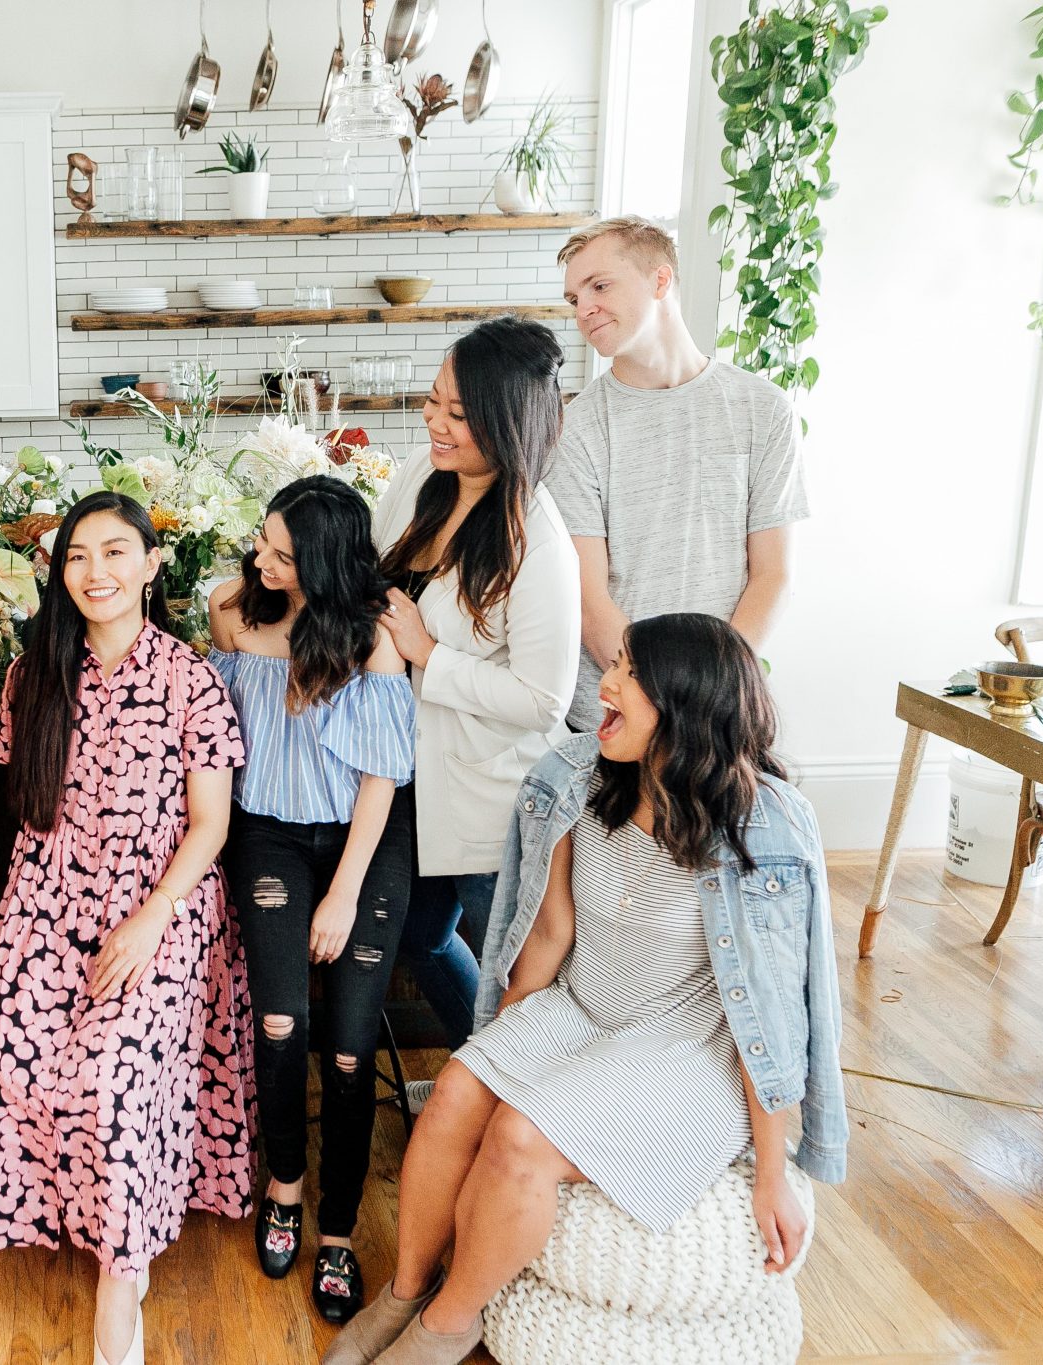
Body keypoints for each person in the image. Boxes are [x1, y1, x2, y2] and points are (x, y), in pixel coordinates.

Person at [324, 613, 848, 1365]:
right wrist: (497, 1053)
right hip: (581, 1003)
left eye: (628, 672)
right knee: (454, 1096)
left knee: (518, 1138)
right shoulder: (577, 775)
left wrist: (775, 1170)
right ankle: (405, 1292)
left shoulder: (765, 828)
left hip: (685, 1039)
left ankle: (446, 1326)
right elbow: (546, 935)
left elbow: (773, 1013)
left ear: (685, 700)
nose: (604, 681)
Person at [0, 491, 254, 1365]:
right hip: (47, 896)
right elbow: (26, 802)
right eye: (79, 555)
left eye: (117, 552)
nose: (97, 572)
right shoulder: (30, 675)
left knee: (116, 1074)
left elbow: (211, 825)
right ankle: (74, 1219)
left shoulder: (190, 676)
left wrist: (149, 920)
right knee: (14, 1051)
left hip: (162, 901)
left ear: (154, 565)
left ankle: (120, 1290)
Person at [206, 476, 415, 1324]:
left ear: (323, 564)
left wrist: (343, 893)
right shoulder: (231, 613)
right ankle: (284, 1184)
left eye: (283, 554)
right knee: (280, 1022)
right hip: (269, 835)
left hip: (364, 843)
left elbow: (381, 779)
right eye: (262, 541)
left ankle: (336, 1226)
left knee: (351, 1049)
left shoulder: (372, 638)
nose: (261, 558)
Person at [372, 317, 582, 1049]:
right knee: (419, 939)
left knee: (518, 974)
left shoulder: (537, 539)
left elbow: (543, 700)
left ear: (505, 422)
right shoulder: (420, 481)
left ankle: (525, 1103)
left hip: (490, 800)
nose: (433, 420)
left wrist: (429, 654)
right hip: (412, 778)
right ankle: (488, 1082)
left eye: (457, 413)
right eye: (434, 401)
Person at [547, 215, 808, 734]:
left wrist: (710, 696)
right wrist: (655, 702)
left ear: (660, 280)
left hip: (719, 710)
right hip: (611, 714)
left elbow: (772, 575)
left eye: (599, 285)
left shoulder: (763, 409)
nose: (584, 309)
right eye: (574, 298)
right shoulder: (571, 429)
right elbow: (588, 597)